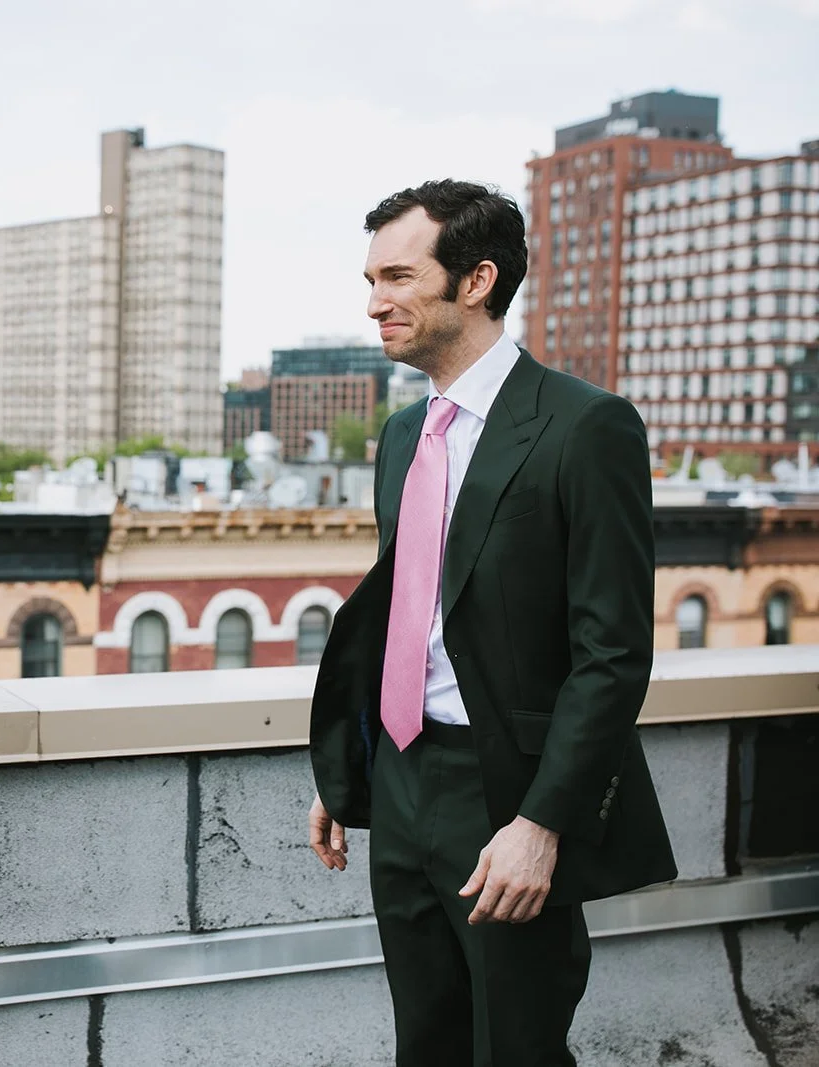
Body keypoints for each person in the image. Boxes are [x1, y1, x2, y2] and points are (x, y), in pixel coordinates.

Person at [307, 180, 677, 1065]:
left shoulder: (587, 427)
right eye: (369, 278)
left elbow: (614, 653)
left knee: (516, 1045)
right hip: (401, 778)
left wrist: (542, 822)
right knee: (425, 1040)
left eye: (397, 276)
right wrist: (351, 760)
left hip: (506, 791)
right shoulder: (402, 436)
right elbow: (409, 613)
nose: (374, 303)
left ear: (475, 281)